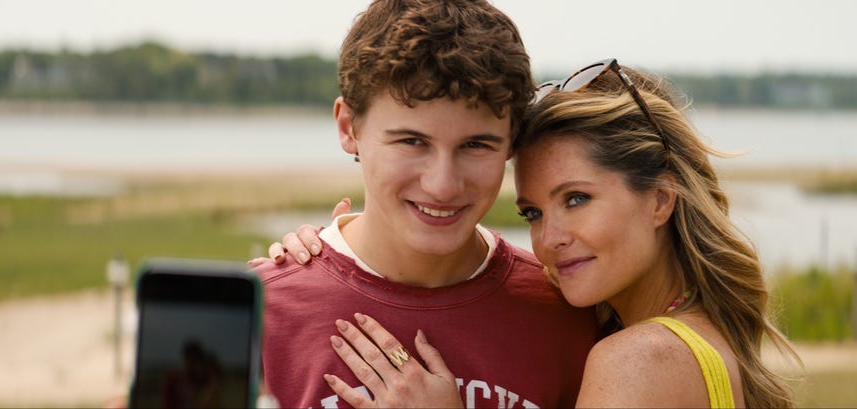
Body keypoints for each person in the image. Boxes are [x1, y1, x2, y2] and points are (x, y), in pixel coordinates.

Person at [296, 58, 801, 408]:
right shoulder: (703, 340)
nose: (549, 239)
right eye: (533, 213)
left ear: (660, 200)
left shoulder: (638, 360)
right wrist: (334, 255)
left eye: (576, 199)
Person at [250, 1, 599, 408]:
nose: (443, 185)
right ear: (349, 127)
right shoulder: (261, 315)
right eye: (412, 141)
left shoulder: (568, 314)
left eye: (476, 145)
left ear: (511, 142)